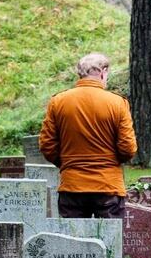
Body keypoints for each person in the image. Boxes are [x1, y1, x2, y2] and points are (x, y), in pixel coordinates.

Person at [39, 53, 137, 219]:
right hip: (108, 185)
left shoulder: (58, 102)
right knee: (109, 242)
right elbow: (128, 148)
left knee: (73, 242)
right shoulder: (117, 103)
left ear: (80, 74)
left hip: (72, 185)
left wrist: (68, 163)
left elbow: (47, 145)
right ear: (103, 72)